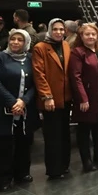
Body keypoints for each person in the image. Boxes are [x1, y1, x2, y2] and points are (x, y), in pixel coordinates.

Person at [0, 29, 37, 191]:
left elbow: (36, 83)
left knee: (24, 141)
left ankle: (22, 173)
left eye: (20, 40)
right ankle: (4, 178)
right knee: (5, 144)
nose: (15, 42)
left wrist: (24, 101)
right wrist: (13, 102)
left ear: (26, 42)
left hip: (26, 108)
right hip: (3, 106)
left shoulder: (30, 58)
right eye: (13, 39)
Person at [69, 23, 98, 172]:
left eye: (93, 34)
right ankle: (86, 161)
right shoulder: (77, 52)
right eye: (87, 34)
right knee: (84, 131)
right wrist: (83, 98)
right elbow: (76, 77)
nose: (91, 37)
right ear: (81, 36)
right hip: (86, 99)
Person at [32, 18, 72, 179]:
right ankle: (54, 170)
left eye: (61, 29)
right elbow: (39, 74)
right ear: (50, 30)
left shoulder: (66, 45)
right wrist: (47, 96)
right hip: (51, 99)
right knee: (52, 136)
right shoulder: (40, 48)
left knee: (64, 134)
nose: (58, 32)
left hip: (66, 97)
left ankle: (65, 165)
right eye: (55, 29)